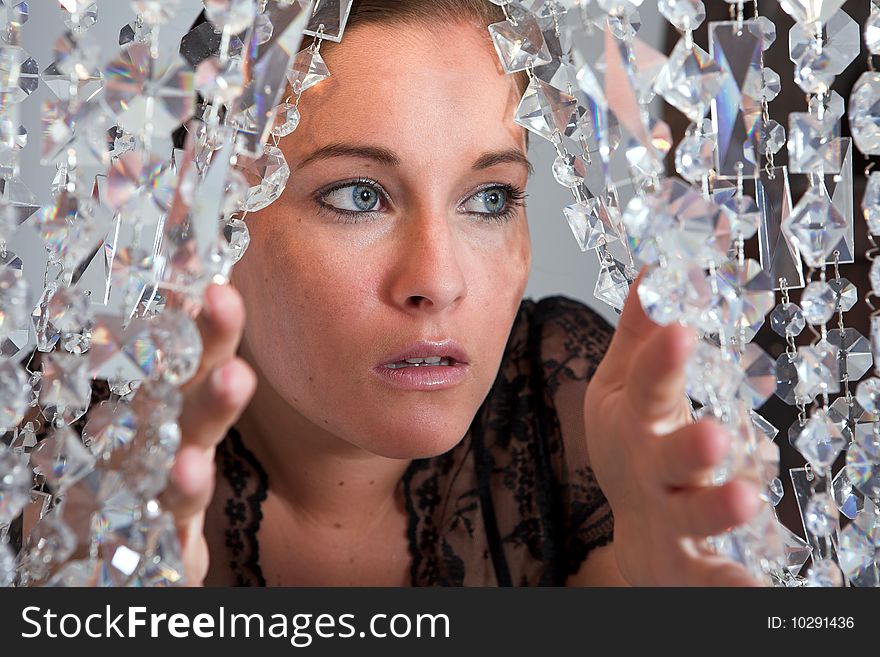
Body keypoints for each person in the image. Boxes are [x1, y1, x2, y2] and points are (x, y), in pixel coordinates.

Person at [162, 0, 765, 587]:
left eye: (490, 198)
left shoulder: (569, 407)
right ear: (207, 217)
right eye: (358, 196)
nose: (439, 281)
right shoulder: (90, 464)